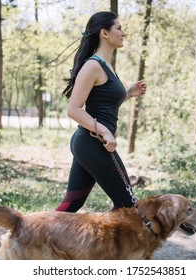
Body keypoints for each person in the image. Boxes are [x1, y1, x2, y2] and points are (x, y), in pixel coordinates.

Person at [56, 11, 147, 212]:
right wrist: (105, 131)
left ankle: (37, 237)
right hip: (91, 142)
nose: (124, 33)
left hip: (91, 143)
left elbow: (103, 106)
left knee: (73, 204)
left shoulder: (106, 67)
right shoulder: (93, 66)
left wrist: (128, 93)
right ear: (104, 33)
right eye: (119, 28)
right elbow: (73, 109)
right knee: (127, 205)